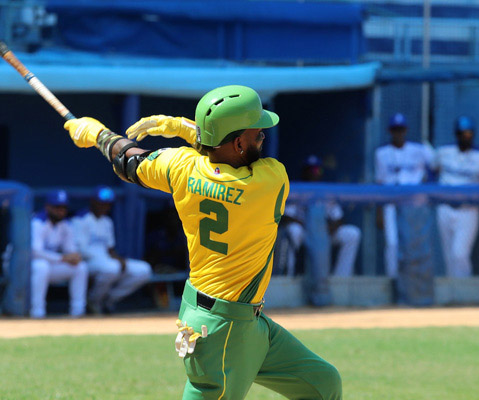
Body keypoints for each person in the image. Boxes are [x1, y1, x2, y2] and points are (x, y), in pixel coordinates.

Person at [64, 85, 341, 399]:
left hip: (243, 320)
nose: (262, 138)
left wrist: (98, 135)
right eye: (257, 134)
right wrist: (185, 128)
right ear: (238, 142)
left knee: (323, 384)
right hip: (221, 327)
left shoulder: (180, 167)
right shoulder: (270, 180)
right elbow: (223, 155)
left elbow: (130, 160)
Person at [432, 116, 479, 277]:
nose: (466, 137)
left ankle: (464, 291)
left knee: (459, 253)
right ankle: (453, 294)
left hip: (468, 210)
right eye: (462, 134)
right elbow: (432, 169)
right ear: (456, 134)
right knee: (449, 256)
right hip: (445, 208)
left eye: (469, 134)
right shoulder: (444, 152)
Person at [72, 186, 153, 314]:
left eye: (107, 204)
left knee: (144, 270)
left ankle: (110, 299)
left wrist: (119, 259)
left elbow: (110, 248)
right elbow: (81, 250)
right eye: (101, 203)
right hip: (88, 262)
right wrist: (110, 260)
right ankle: (94, 301)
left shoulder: (107, 221)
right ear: (93, 201)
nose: (104, 207)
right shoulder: (80, 219)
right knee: (112, 268)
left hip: (107, 260)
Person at [374, 112, 434, 278]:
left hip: (413, 204)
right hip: (390, 203)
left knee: (413, 243)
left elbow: (436, 168)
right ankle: (393, 279)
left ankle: (414, 279)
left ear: (406, 130)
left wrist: (426, 182)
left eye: (400, 129)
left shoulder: (420, 150)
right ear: (389, 131)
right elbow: (379, 183)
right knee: (392, 244)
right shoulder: (381, 153)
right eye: (395, 129)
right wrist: (379, 212)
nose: (398, 133)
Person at [281, 155, 361, 277]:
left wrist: (329, 229)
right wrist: (305, 225)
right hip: (304, 231)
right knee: (293, 231)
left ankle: (341, 277)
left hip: (325, 233)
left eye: (317, 170)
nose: (314, 173)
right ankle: (289, 274)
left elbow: (339, 218)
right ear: (304, 172)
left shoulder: (325, 192)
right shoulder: (297, 191)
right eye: (310, 169)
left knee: (352, 233)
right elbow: (285, 217)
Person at [30, 190, 88, 318]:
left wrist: (74, 256)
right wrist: (62, 258)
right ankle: (37, 313)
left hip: (50, 264)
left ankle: (78, 312)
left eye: (63, 207)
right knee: (41, 266)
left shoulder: (66, 224)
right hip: (25, 267)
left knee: (80, 267)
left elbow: (70, 250)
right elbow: (35, 253)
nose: (60, 211)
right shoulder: (37, 222)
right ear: (47, 207)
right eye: (57, 207)